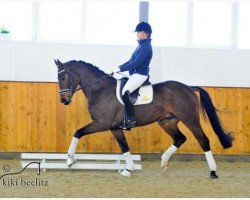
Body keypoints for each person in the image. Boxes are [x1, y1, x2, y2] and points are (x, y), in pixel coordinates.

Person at [112, 21, 153, 130]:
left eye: (138, 32)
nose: (137, 34)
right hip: (136, 74)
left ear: (145, 33)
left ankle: (129, 120)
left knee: (125, 93)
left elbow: (136, 63)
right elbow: (130, 61)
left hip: (141, 74)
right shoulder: (140, 46)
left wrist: (120, 69)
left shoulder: (146, 47)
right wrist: (118, 67)